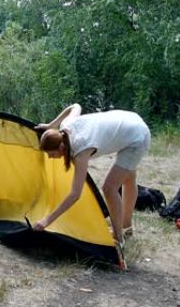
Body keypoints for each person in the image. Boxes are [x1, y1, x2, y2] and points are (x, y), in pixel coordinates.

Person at [33, 103, 151, 245]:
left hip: (137, 137)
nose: (50, 158)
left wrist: (47, 220)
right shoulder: (66, 125)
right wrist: (50, 125)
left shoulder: (81, 150)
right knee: (128, 178)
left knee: (109, 188)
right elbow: (75, 107)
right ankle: (127, 227)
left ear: (62, 147)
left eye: (51, 154)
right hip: (129, 120)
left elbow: (75, 194)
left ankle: (118, 237)